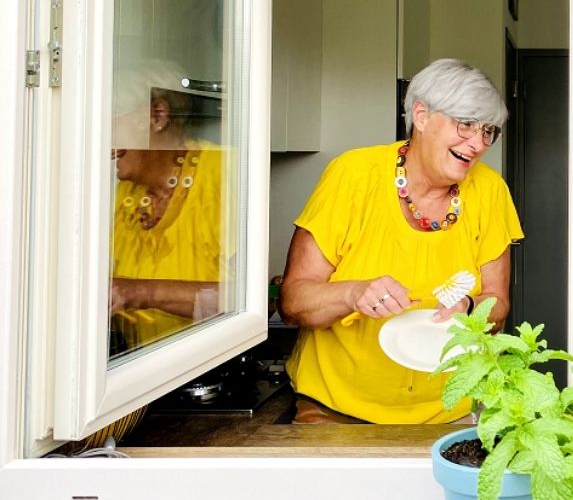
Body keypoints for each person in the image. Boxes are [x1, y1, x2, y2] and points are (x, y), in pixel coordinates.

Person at [281, 58, 524, 424]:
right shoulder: (352, 177)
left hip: (452, 411)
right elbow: (293, 301)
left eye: (488, 131)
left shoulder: (489, 191)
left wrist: (471, 308)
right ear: (422, 116)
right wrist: (352, 294)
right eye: (466, 124)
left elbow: (499, 303)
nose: (477, 144)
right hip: (336, 409)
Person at [110, 63, 224, 357]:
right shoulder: (126, 194)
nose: (102, 141)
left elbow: (253, 297)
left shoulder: (222, 175)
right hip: (143, 369)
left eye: (110, 124)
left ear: (157, 115)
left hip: (211, 366)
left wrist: (137, 293)